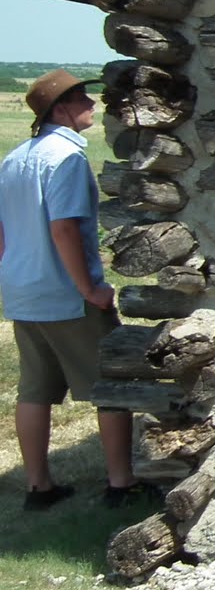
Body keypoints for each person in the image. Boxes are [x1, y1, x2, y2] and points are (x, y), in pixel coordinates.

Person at [0, 69, 140, 510]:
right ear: (61, 108)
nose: (92, 105)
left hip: (23, 289)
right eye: (83, 98)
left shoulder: (15, 157)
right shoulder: (67, 159)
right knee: (109, 386)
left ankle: (38, 487)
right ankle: (120, 483)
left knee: (34, 390)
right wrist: (90, 290)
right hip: (67, 295)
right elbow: (63, 229)